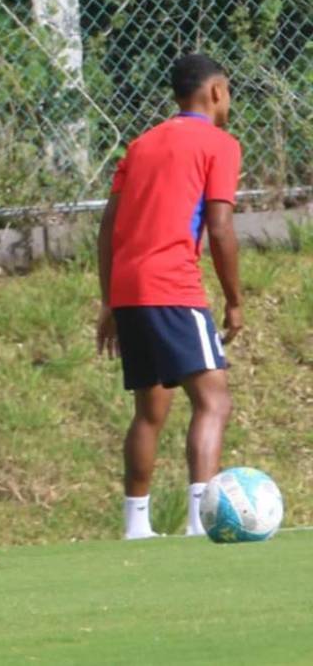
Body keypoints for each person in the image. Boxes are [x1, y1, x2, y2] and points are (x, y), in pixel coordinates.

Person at [96, 52, 242, 540]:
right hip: (174, 287)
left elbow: (108, 226)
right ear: (216, 91)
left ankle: (136, 525)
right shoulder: (218, 144)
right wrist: (235, 300)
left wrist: (110, 299)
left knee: (149, 410)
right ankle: (204, 521)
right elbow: (220, 228)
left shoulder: (141, 145)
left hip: (131, 288)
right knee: (213, 400)